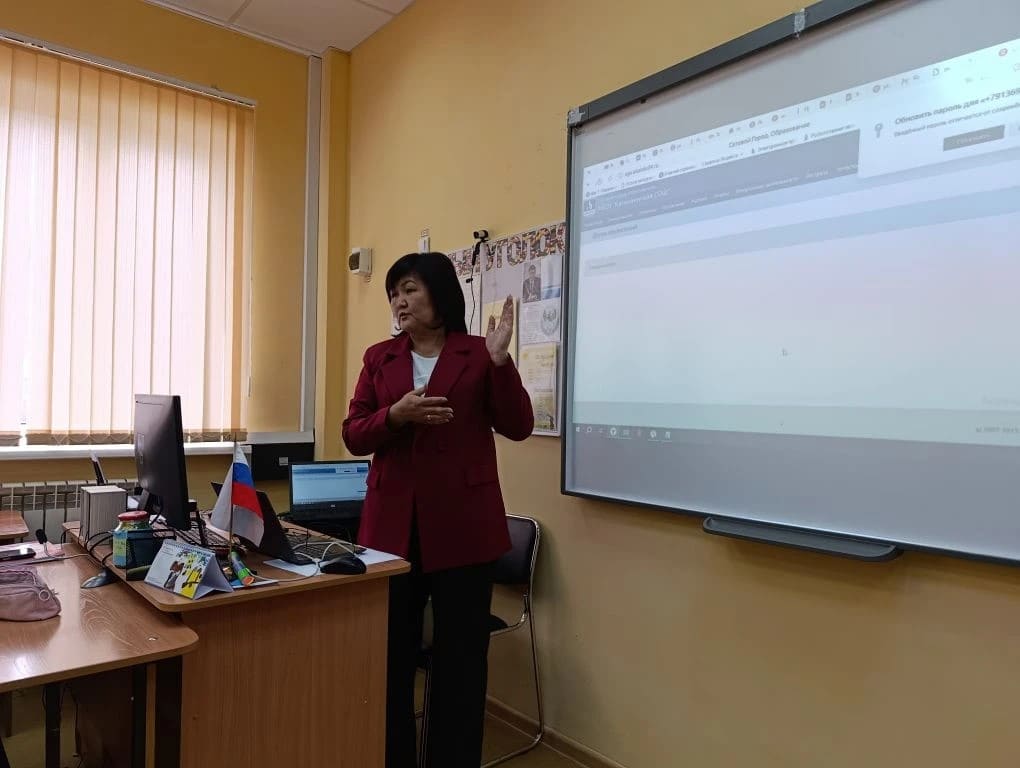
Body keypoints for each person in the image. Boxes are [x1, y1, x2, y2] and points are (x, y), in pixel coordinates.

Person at [342, 251, 533, 768]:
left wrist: (501, 363)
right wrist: (395, 415)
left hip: (465, 530)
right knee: (391, 658)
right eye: (394, 294)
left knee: (461, 665)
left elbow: (518, 425)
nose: (399, 302)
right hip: (392, 532)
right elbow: (354, 434)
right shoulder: (379, 358)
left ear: (440, 292)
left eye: (409, 289)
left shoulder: (479, 353)